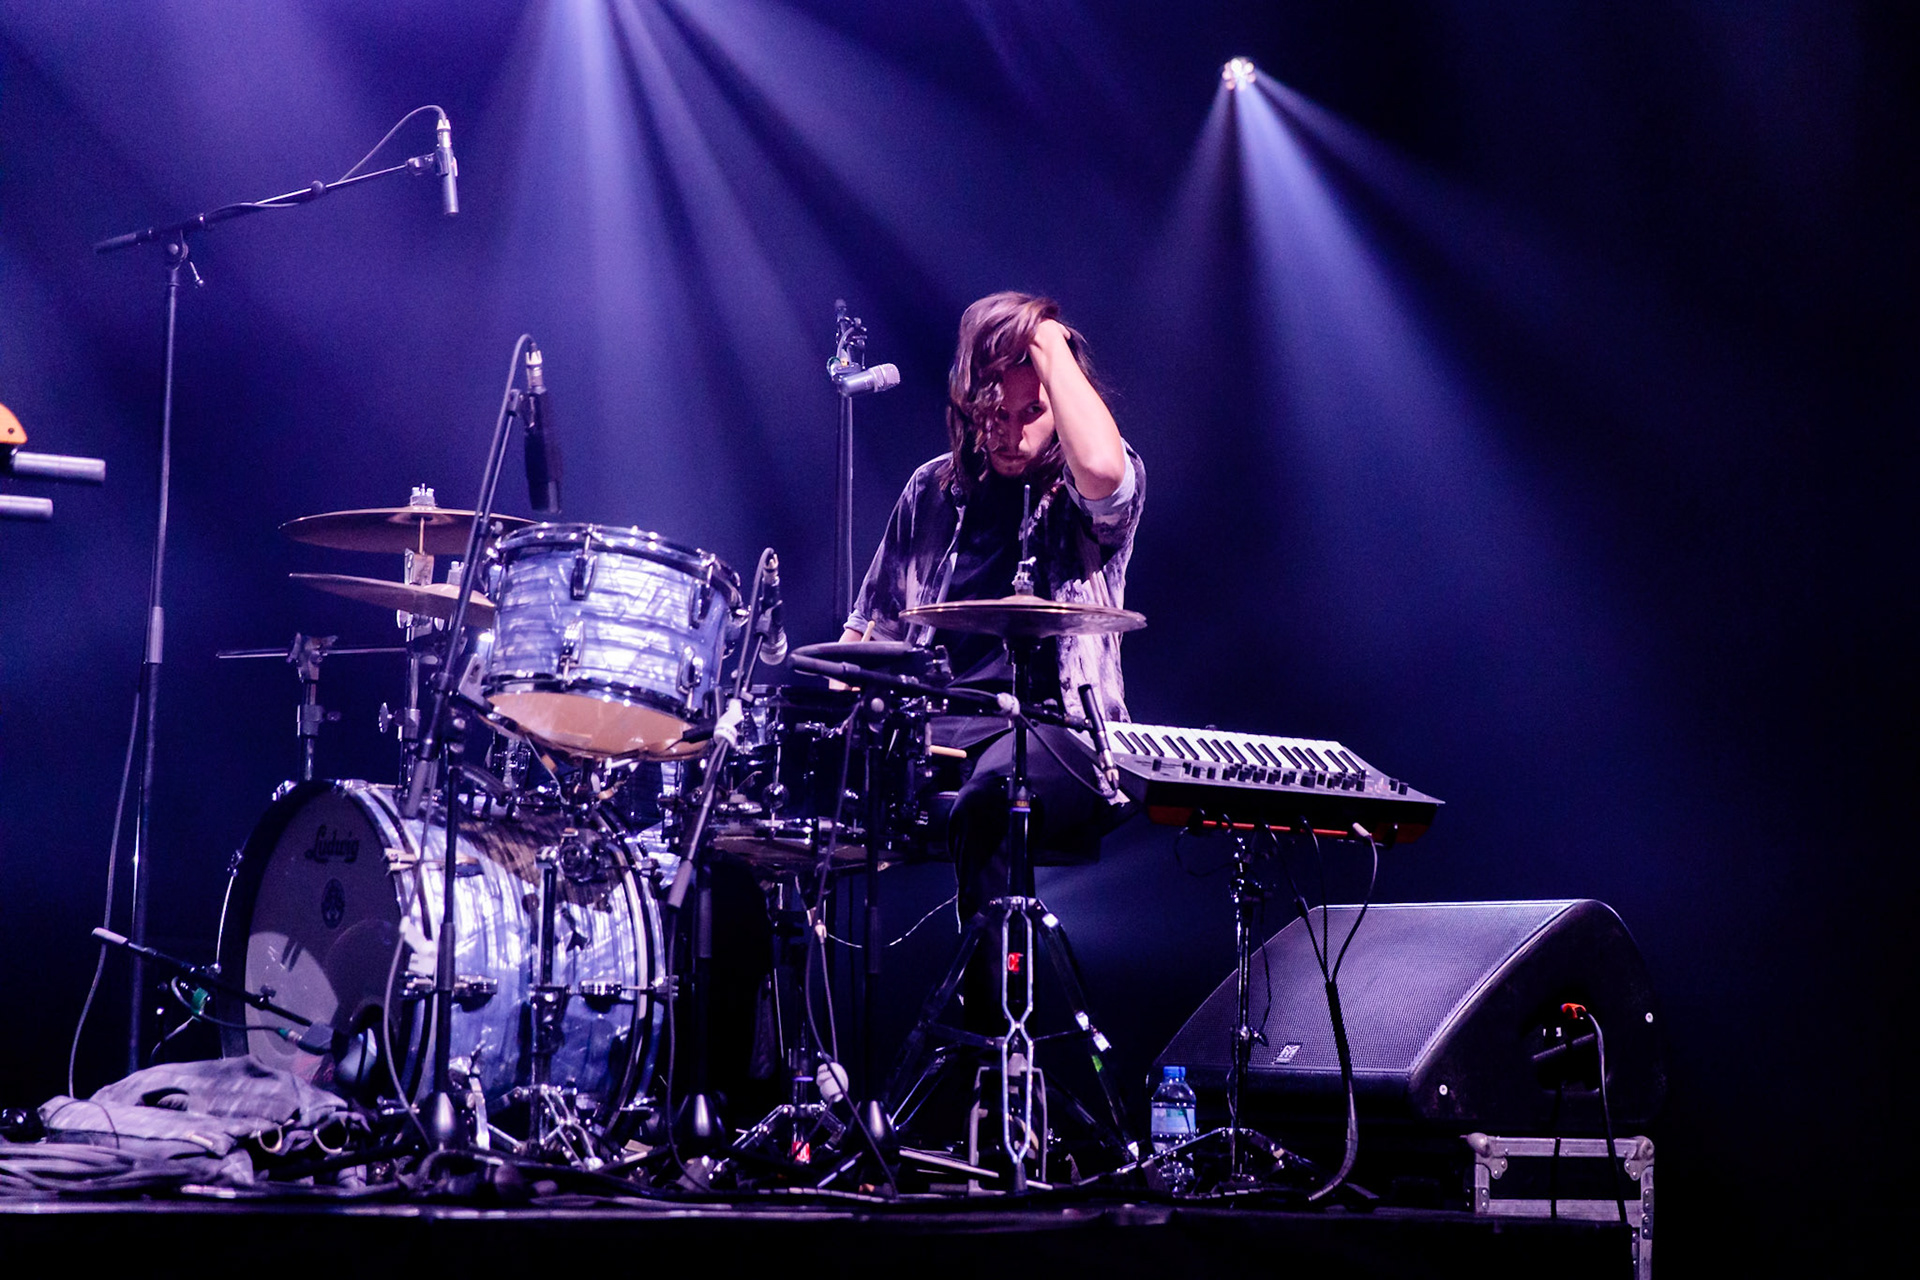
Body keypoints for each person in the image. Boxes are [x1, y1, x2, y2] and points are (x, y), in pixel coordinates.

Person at [838, 290, 1144, 1031]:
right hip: (937, 734)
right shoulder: (930, 490)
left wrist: (1045, 339)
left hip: (1061, 737)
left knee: (992, 800)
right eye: (992, 413)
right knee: (766, 817)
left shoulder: (1086, 494)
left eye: (1030, 413)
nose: (1008, 433)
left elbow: (1103, 468)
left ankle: (995, 1049)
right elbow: (866, 635)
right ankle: (793, 1066)